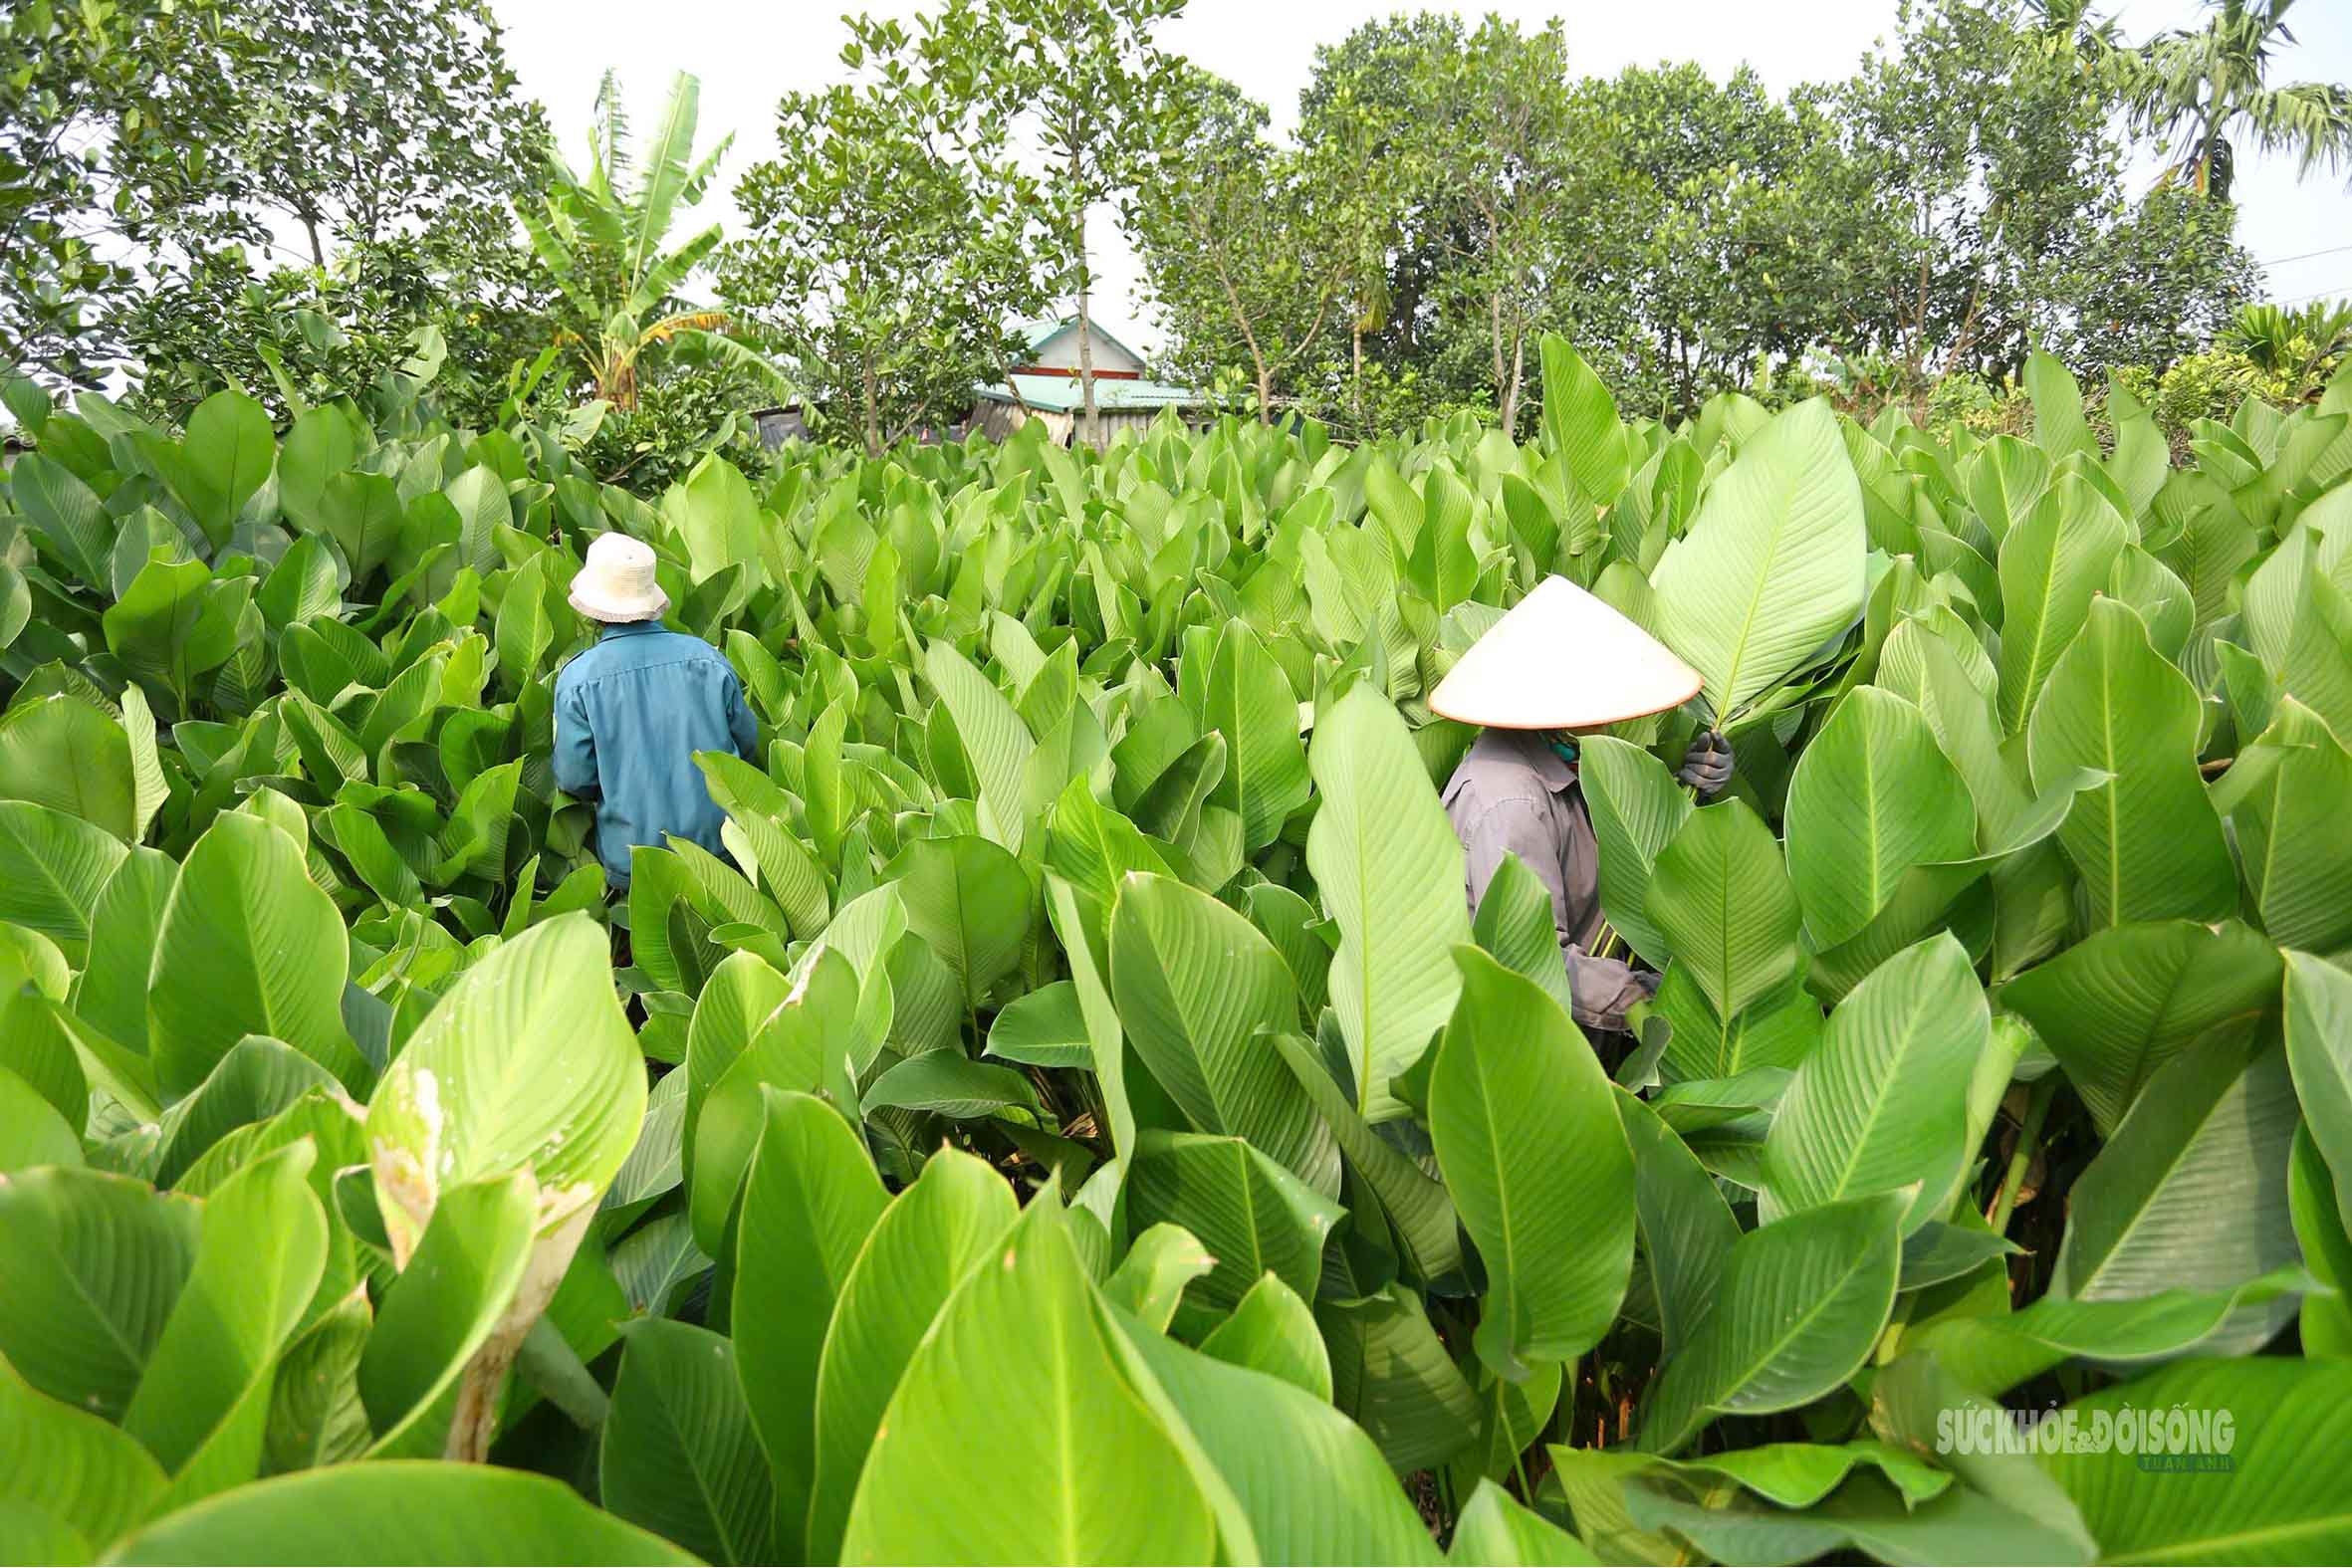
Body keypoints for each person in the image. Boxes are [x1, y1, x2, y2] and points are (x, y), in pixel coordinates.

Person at [1429, 575, 1734, 1035]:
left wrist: (1689, 789)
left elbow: (1612, 839)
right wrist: (1655, 1004)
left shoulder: (1562, 756)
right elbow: (1535, 962)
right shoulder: (1509, 803)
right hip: (1539, 1049)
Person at [554, 533, 758, 894]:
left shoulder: (579, 678)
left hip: (635, 859)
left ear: (593, 610)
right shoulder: (708, 659)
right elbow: (747, 744)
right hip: (724, 852)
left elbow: (575, 779)